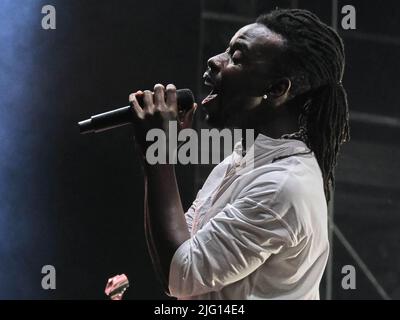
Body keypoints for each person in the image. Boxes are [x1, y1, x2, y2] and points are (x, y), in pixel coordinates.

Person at [128, 8, 350, 300]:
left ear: (277, 88)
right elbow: (184, 251)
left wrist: (158, 158)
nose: (214, 60)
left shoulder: (283, 185)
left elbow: (181, 275)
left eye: (236, 57)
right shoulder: (241, 161)